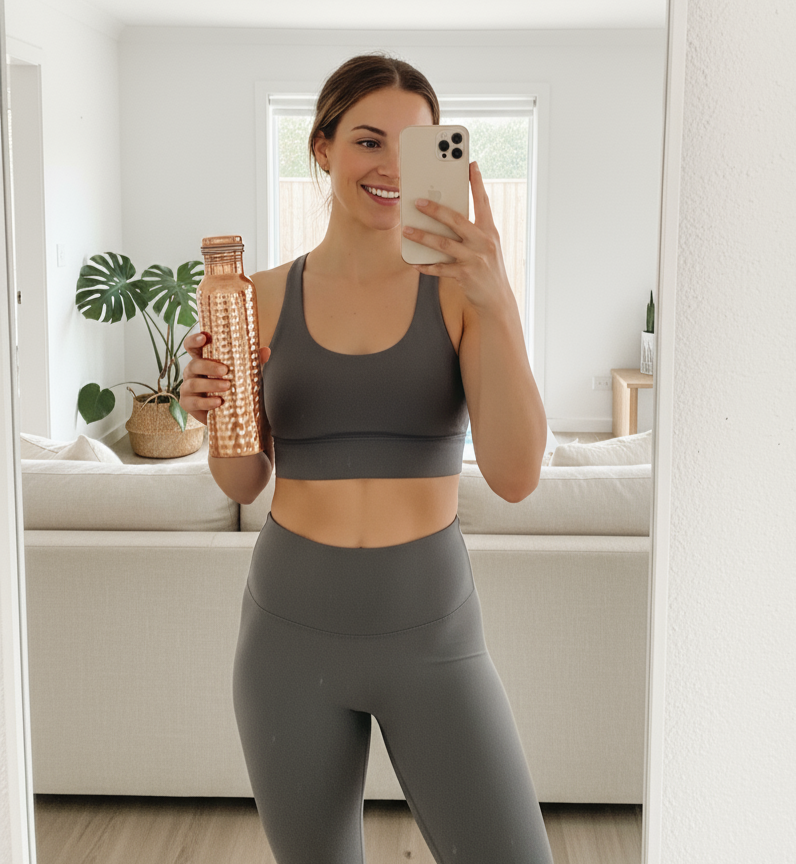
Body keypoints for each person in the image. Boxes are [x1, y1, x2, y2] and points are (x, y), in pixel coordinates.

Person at [180, 51, 553, 864]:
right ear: (322, 148)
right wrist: (212, 407)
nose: (388, 168)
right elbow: (244, 480)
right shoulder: (260, 295)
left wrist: (498, 296)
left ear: (439, 160)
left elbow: (518, 476)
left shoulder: (459, 291)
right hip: (288, 633)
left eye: (413, 147)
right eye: (366, 141)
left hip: (432, 632)